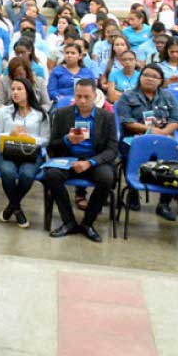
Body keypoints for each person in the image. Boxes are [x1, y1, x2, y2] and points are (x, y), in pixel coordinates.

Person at [44, 79, 118, 242]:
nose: (82, 101)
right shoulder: (63, 114)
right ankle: (68, 222)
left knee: (107, 178)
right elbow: (52, 146)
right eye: (78, 96)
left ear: (95, 96)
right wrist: (66, 140)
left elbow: (112, 149)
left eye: (87, 97)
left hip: (94, 160)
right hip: (68, 159)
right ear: (74, 96)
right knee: (52, 175)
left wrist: (90, 162)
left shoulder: (106, 117)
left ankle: (88, 223)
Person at [117, 64, 178, 221]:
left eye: (154, 76)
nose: (150, 79)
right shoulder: (128, 96)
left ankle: (164, 203)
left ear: (161, 81)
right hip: (134, 138)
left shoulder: (168, 97)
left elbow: (175, 119)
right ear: (140, 77)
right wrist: (150, 132)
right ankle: (133, 193)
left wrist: (163, 133)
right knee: (126, 150)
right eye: (146, 75)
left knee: (172, 157)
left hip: (163, 139)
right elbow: (127, 122)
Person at [0, 77, 50, 229]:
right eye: (13, 89)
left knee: (27, 174)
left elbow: (46, 139)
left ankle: (11, 207)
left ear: (28, 91)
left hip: (30, 152)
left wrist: (30, 139)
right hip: (6, 151)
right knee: (8, 172)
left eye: (19, 89)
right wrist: (10, 135)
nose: (15, 92)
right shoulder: (4, 111)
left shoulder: (40, 114)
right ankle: (17, 209)